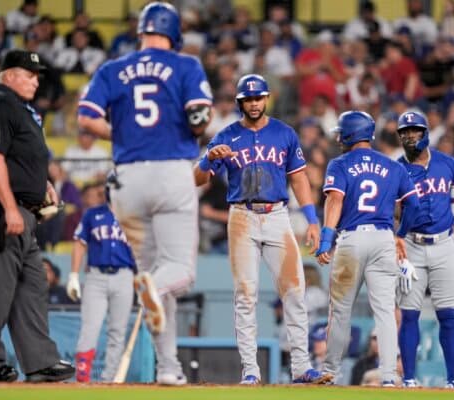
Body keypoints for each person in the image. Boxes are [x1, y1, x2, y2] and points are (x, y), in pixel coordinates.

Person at [77, 2, 213, 385]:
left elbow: (86, 117)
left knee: (156, 280)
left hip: (126, 180)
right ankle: (152, 287)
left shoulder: (112, 69)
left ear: (141, 31)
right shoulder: (186, 64)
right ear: (174, 34)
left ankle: (168, 367)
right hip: (171, 171)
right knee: (177, 273)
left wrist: (121, 133)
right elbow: (200, 117)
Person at [193, 74, 330, 384]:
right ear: (241, 102)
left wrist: (312, 220)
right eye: (248, 99)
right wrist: (206, 160)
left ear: (266, 99)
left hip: (278, 215)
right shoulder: (226, 135)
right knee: (245, 294)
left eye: (259, 98)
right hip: (241, 216)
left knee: (295, 291)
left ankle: (300, 366)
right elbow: (197, 180)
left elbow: (298, 178)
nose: (254, 103)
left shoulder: (284, 133)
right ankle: (251, 370)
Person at [0, 49, 75, 382]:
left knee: (31, 287)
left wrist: (42, 183)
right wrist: (8, 207)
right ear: (8, 74)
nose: (36, 80)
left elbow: (20, 158)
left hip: (26, 215)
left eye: (37, 75)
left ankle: (40, 361)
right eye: (29, 74)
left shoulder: (22, 111)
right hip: (3, 212)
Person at [315, 111, 420, 386]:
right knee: (385, 311)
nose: (338, 137)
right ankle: (388, 376)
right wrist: (401, 234)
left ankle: (330, 372)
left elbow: (335, 201)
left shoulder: (339, 164)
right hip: (384, 240)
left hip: (352, 241)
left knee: (340, 311)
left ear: (350, 133)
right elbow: (414, 204)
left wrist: (326, 238)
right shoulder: (394, 166)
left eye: (341, 132)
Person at [395, 110, 454, 389]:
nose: (410, 135)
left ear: (426, 132)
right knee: (409, 314)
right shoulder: (397, 168)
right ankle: (409, 379)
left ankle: (452, 381)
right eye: (405, 131)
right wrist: (397, 244)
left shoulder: (448, 164)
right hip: (412, 246)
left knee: (447, 315)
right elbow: (392, 212)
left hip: (444, 245)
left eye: (414, 130)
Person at [66, 181, 136, 383]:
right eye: (112, 188)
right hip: (96, 276)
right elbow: (79, 243)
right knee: (90, 325)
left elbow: (143, 251)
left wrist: (144, 279)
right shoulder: (92, 214)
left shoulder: (135, 217)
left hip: (125, 275)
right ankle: (83, 376)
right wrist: (73, 275)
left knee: (118, 330)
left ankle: (110, 379)